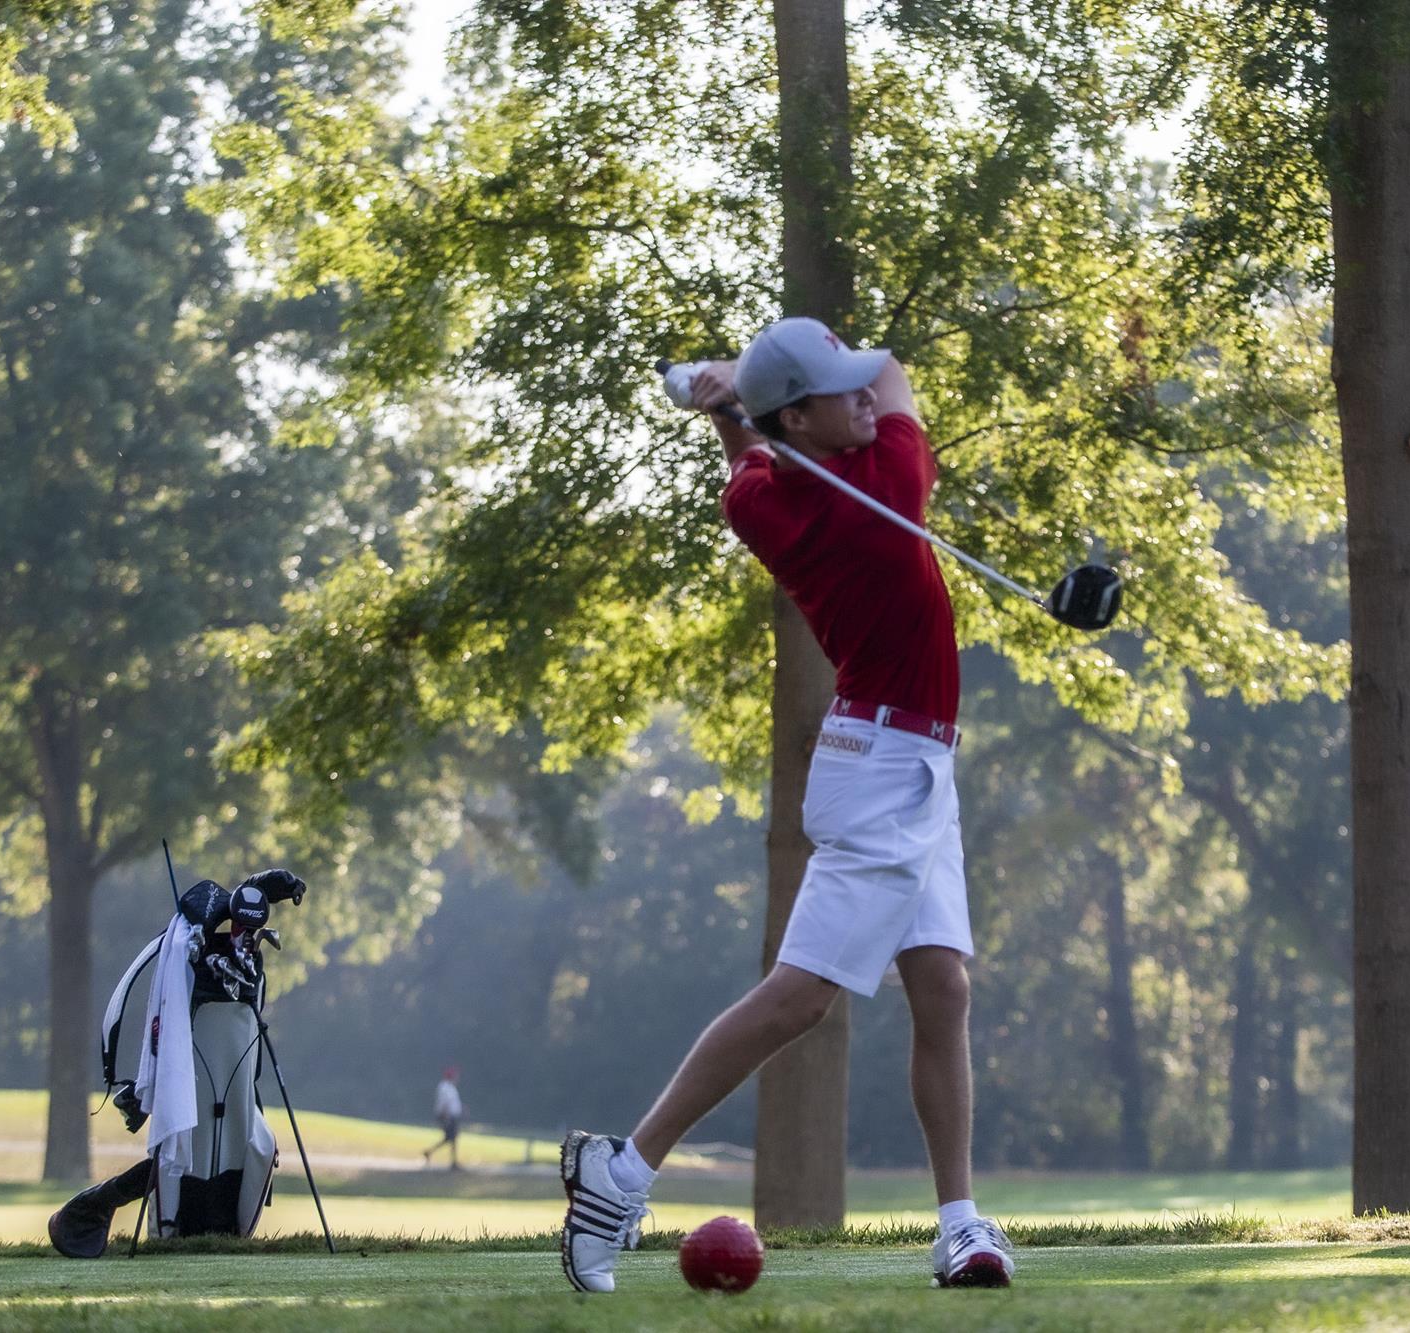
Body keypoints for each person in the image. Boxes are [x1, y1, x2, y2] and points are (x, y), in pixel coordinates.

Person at [559, 317, 1013, 1293]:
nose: (863, 396)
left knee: (942, 987)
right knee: (801, 996)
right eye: (836, 391)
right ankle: (621, 1170)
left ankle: (960, 1226)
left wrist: (732, 406)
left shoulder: (765, 500)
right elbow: (892, 371)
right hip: (886, 768)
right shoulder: (881, 487)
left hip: (906, 761)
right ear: (801, 419)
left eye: (854, 388)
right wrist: (741, 392)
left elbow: (748, 471)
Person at [424, 1066, 463, 1170]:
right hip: (447, 1116)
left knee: (450, 1138)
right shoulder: (445, 1087)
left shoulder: (450, 1087)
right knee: (452, 1137)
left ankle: (430, 1152)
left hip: (452, 1116)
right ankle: (453, 1162)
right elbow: (444, 1103)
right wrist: (446, 1117)